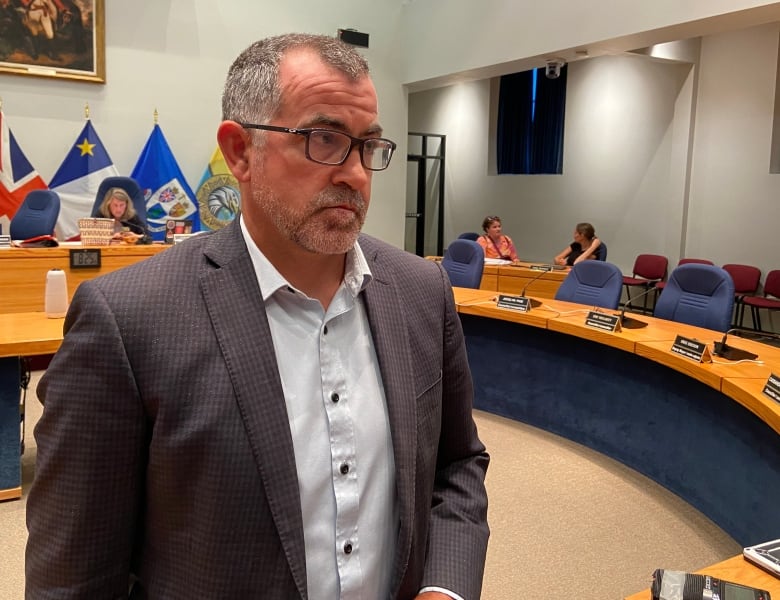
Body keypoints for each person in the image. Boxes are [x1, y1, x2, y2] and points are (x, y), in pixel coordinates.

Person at [26, 33, 490, 600]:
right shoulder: (127, 320)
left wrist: (446, 589)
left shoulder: (421, 290)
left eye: (368, 146)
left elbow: (457, 465)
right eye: (325, 139)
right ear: (241, 152)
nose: (357, 175)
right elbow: (75, 577)